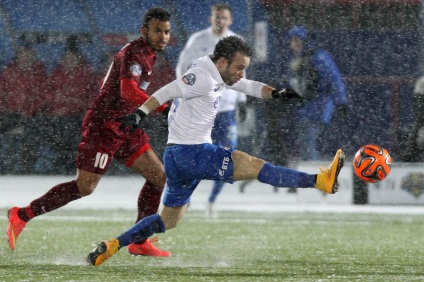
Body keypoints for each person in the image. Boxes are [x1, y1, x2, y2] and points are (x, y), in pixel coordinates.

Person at [86, 36, 345, 266]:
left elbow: (249, 86)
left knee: (168, 220)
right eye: (239, 67)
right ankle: (320, 181)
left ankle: (113, 245)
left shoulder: (217, 71)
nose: (242, 73)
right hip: (194, 152)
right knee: (255, 166)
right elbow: (167, 90)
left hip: (177, 156)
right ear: (222, 62)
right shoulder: (200, 76)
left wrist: (275, 93)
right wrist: (140, 113)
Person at [7, 7, 173, 257]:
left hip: (126, 124)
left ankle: (140, 240)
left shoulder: (149, 54)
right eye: (157, 31)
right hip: (104, 126)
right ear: (144, 31)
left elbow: (124, 94)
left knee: (158, 177)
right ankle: (22, 214)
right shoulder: (134, 53)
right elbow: (128, 92)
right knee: (85, 187)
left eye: (167, 32)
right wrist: (163, 106)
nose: (163, 36)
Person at [176, 3, 247, 218]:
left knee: (228, 158)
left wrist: (242, 101)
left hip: (226, 111)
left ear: (230, 20)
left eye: (224, 17)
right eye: (217, 17)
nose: (220, 21)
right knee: (195, 157)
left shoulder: (237, 43)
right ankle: (184, 200)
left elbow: (242, 73)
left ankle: (212, 201)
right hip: (201, 110)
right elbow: (182, 67)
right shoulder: (199, 40)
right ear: (211, 18)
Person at [37, 35, 98, 174]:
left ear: (78, 59)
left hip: (77, 115)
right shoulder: (56, 73)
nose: (69, 61)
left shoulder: (86, 74)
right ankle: (62, 161)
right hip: (56, 115)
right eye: (67, 58)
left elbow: (93, 96)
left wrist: (81, 105)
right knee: (52, 128)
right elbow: (47, 93)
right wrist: (58, 102)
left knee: (72, 130)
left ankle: (70, 163)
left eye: (72, 58)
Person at [286, 26, 348, 161]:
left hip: (320, 104)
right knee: (305, 139)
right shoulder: (299, 59)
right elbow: (295, 84)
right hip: (307, 105)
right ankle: (311, 167)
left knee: (307, 139)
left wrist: (341, 100)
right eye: (291, 41)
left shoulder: (319, 57)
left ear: (303, 41)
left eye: (296, 40)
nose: (293, 45)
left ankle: (312, 169)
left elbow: (334, 78)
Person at [0, 36, 49, 174]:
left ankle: (26, 166)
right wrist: (6, 109)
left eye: (29, 55)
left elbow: (42, 96)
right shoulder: (8, 73)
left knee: (32, 132)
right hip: (9, 114)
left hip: (32, 115)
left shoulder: (39, 74)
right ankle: (6, 165)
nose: (25, 58)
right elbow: (1, 95)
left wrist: (29, 111)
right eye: (23, 55)